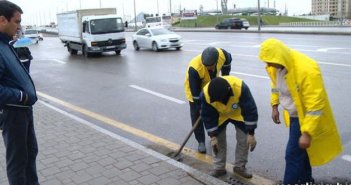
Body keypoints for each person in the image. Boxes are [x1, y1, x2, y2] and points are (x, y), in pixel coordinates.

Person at [258, 38, 342, 184]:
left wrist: (307, 132)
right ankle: (306, 180)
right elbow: (275, 86)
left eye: (269, 61)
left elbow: (315, 104)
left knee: (292, 155)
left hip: (304, 118)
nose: (267, 65)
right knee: (301, 153)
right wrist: (274, 105)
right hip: (293, 115)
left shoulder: (307, 69)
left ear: (279, 57)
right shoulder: (276, 66)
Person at [0, 1, 39, 185]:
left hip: (23, 111)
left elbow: (12, 76)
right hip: (13, 112)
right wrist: (21, 96)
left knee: (30, 153)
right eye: (17, 21)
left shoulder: (6, 44)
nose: (19, 26)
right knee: (18, 162)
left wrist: (24, 61)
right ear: (2, 20)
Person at [200, 76, 258, 178]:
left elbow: (250, 110)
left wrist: (251, 134)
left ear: (229, 91)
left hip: (238, 114)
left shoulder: (240, 88)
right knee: (218, 142)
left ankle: (239, 167)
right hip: (220, 116)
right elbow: (208, 116)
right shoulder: (205, 95)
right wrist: (213, 136)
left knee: (244, 140)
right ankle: (219, 168)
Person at [184, 47, 232, 153]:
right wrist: (201, 108)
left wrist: (225, 77)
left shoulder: (221, 55)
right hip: (195, 91)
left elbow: (228, 59)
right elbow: (196, 94)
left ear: (216, 61)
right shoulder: (194, 69)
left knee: (214, 113)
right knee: (197, 115)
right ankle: (200, 141)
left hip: (212, 87)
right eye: (206, 66)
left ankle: (214, 137)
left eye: (210, 67)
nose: (208, 68)